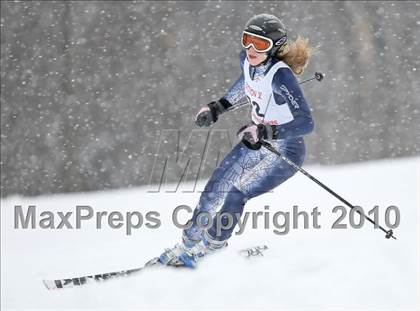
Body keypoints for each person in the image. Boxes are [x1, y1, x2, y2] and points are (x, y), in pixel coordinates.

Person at [159, 13, 316, 268]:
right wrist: (217, 108)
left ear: (275, 46)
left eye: (261, 44)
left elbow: (307, 123)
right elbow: (246, 82)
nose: (252, 49)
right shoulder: (248, 60)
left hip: (286, 148)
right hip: (257, 140)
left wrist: (267, 132)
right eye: (248, 40)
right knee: (216, 187)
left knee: (236, 193)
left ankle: (211, 247)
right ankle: (187, 245)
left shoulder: (281, 75)